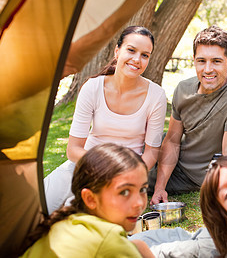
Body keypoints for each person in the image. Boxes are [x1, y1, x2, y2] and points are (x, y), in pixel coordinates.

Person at [44, 26, 167, 213]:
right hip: (85, 164)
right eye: (131, 50)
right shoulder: (92, 88)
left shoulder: (156, 95)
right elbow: (73, 149)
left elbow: (151, 153)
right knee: (35, 209)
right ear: (117, 51)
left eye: (145, 55)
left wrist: (128, 174)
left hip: (126, 175)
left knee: (77, 215)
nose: (137, 60)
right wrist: (102, 166)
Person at [149, 25, 227, 204]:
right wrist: (160, 188)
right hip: (171, 163)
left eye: (216, 61)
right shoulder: (183, 89)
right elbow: (172, 141)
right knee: (126, 164)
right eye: (201, 61)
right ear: (194, 61)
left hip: (197, 177)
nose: (207, 69)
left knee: (130, 180)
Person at [21, 143, 154, 257]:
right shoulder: (108, 240)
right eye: (124, 192)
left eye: (142, 189)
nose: (139, 203)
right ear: (90, 198)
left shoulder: (62, 225)